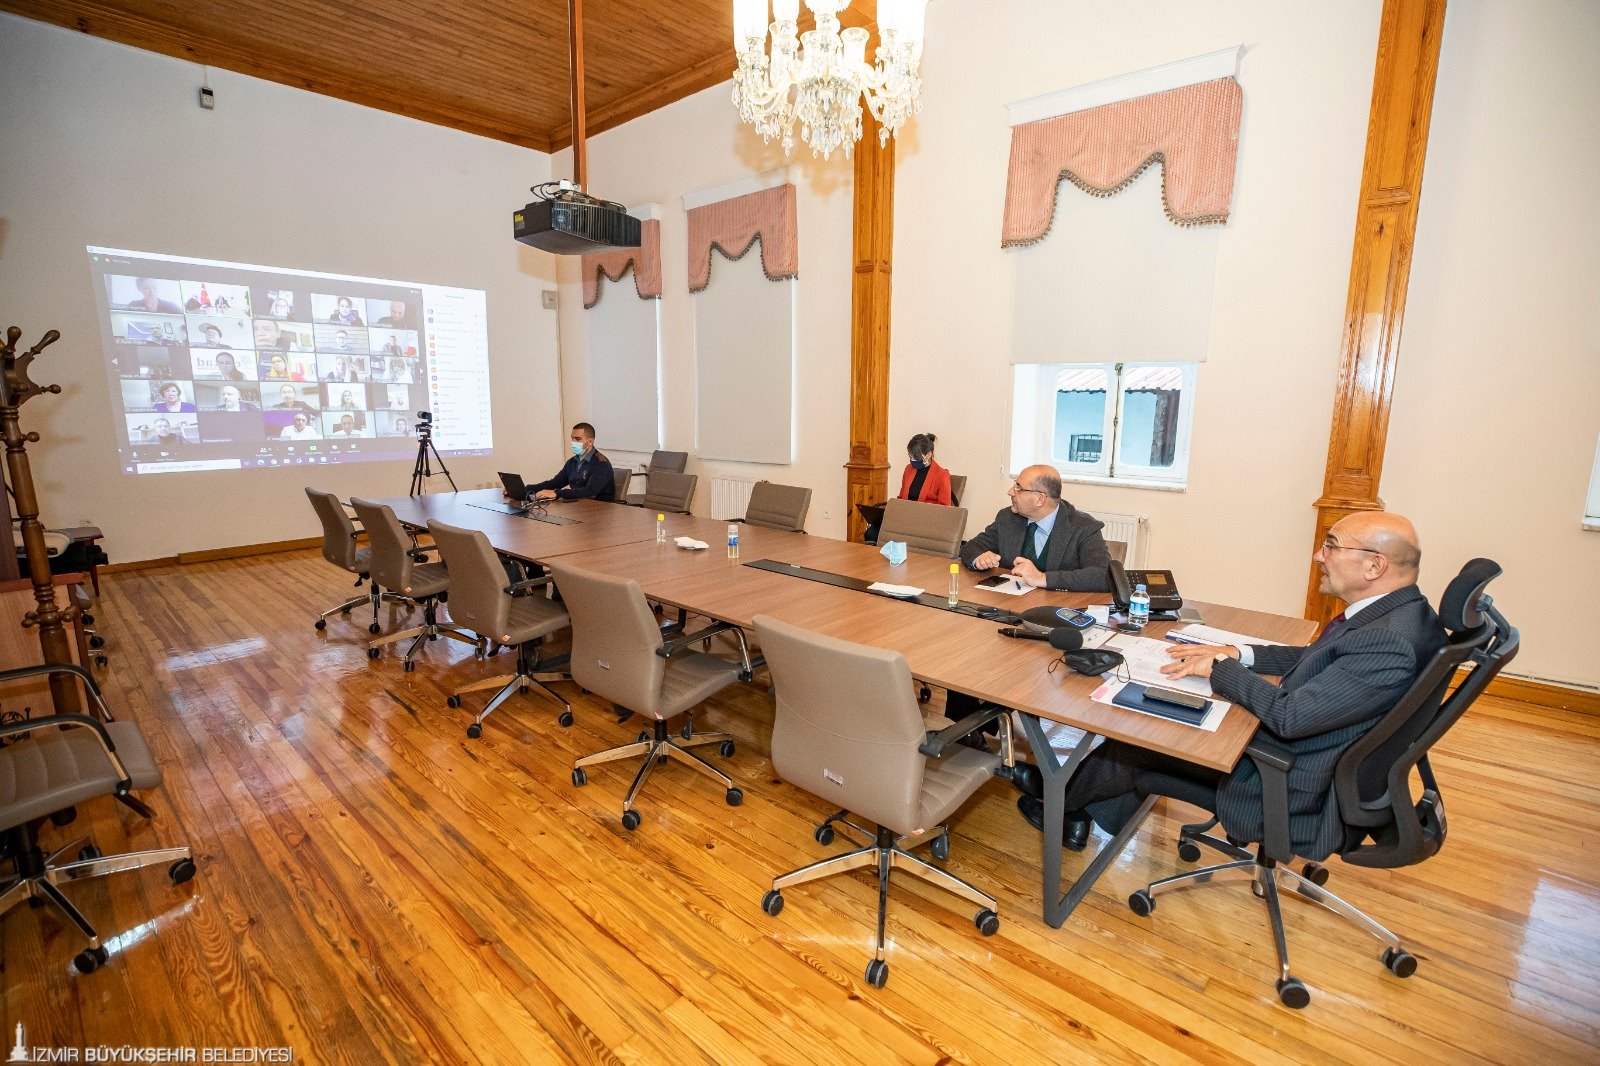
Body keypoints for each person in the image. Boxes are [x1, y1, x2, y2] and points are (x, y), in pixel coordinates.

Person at [1016, 511, 1447, 859]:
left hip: (1290, 785)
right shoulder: (1405, 616)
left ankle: (1055, 797)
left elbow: (1290, 717)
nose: (1318, 555)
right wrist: (1240, 653)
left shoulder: (1386, 642)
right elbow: (1318, 658)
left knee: (1138, 736)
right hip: (1313, 757)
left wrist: (1220, 667)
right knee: (1150, 720)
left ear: (1374, 565)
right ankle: (1082, 813)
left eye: (1331, 545)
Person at [960, 465, 1112, 591]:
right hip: (1010, 604)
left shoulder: (1083, 527)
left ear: (1040, 499)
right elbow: (971, 547)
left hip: (1057, 608)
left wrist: (1041, 578)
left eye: (1018, 488)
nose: (1010, 492)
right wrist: (979, 559)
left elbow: (1103, 575)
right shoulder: (1008, 518)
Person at [866, 432, 954, 543]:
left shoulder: (942, 475)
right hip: (905, 518)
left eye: (915, 457)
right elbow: (901, 498)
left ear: (928, 454)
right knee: (871, 532)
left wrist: (919, 513)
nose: (912, 460)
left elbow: (945, 510)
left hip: (925, 523)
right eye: (910, 456)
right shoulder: (909, 469)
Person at [528, 422, 615, 502]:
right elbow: (555, 483)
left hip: (600, 509)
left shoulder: (601, 463)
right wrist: (529, 489)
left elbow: (590, 491)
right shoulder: (572, 462)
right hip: (578, 506)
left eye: (578, 439)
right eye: (572, 438)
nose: (573, 442)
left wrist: (557, 493)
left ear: (590, 441)